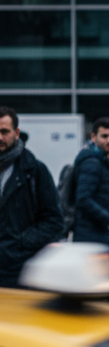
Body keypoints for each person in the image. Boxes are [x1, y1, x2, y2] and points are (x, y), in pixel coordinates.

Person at [0, 105, 63, 288]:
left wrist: (19, 243)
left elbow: (54, 220)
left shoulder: (34, 171)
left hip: (19, 272)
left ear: (17, 133)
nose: (0, 138)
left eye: (4, 132)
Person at [72, 117, 109, 260]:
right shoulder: (91, 162)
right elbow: (83, 199)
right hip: (93, 238)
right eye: (104, 136)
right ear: (93, 137)